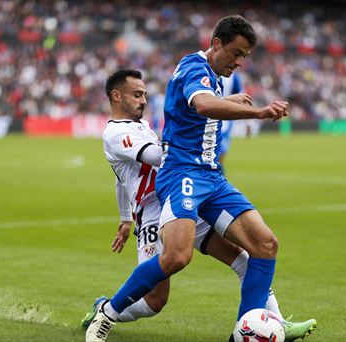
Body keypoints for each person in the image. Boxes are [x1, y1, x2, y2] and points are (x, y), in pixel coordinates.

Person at [85, 16, 316, 342]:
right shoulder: (194, 68)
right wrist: (258, 112)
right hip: (181, 177)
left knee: (264, 246)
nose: (239, 62)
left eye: (245, 57)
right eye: (236, 53)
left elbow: (197, 108)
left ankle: (249, 329)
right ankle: (107, 313)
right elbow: (203, 106)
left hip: (211, 177)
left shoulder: (213, 74)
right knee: (175, 262)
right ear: (217, 43)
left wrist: (229, 101)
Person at [219, 72, 244, 172]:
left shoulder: (233, 77)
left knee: (219, 158)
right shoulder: (205, 70)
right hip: (206, 119)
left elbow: (242, 97)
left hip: (225, 121)